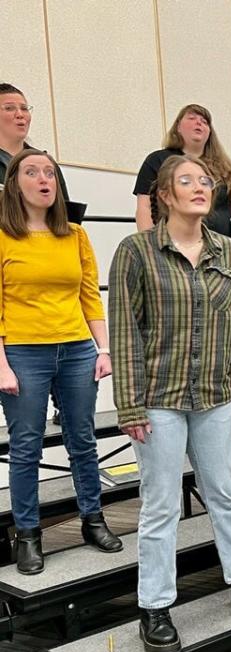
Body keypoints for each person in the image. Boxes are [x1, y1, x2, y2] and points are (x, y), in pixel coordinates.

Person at [110, 154, 231, 652]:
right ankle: (155, 606)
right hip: (158, 399)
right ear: (164, 195)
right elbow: (124, 334)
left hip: (213, 398)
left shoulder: (229, 252)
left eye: (205, 181)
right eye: (187, 181)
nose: (200, 187)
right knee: (160, 505)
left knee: (224, 493)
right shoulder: (136, 251)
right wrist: (129, 404)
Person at [0, 149, 121, 575]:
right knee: (26, 447)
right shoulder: (1, 236)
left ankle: (93, 519)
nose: (43, 179)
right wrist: (1, 365)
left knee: (83, 440)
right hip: (22, 352)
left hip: (76, 349)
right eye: (32, 172)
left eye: (49, 173)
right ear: (16, 183)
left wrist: (102, 349)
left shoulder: (74, 234)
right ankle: (28, 535)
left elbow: (89, 294)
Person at [133, 104, 231, 263]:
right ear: (178, 127)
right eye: (192, 118)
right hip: (172, 249)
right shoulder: (157, 160)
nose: (199, 123)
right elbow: (144, 207)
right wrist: (149, 246)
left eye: (204, 121)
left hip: (219, 250)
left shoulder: (223, 166)